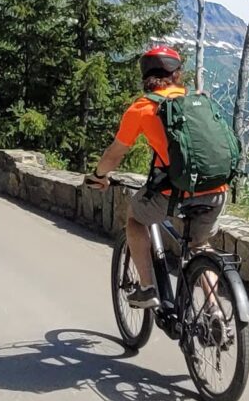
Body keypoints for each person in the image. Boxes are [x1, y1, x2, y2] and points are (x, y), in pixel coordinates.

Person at [90, 42, 225, 307]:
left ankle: (147, 287)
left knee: (134, 219)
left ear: (145, 77)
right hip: (217, 189)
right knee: (199, 245)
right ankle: (216, 312)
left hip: (174, 194)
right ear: (177, 75)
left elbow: (114, 154)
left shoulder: (142, 108)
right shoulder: (198, 101)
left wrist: (98, 176)